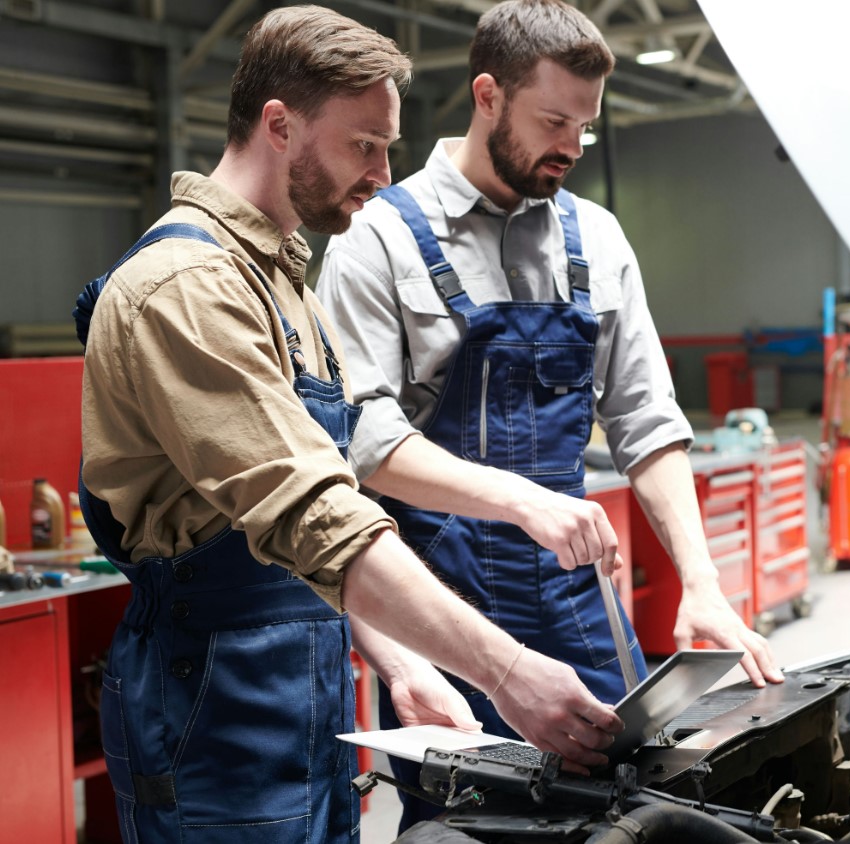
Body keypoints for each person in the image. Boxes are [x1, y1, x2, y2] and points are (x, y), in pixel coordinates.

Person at [75, 7, 622, 842]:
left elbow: (318, 529)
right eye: (363, 144)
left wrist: (405, 667)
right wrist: (506, 672)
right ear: (279, 125)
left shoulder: (287, 285)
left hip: (306, 694)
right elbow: (310, 517)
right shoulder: (185, 288)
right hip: (208, 709)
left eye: (389, 145)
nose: (382, 171)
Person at [315, 0, 783, 831]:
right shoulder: (376, 240)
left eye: (585, 125)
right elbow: (362, 443)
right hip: (443, 602)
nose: (571, 145)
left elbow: (645, 416)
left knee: (629, 809)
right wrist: (519, 500)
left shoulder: (596, 238)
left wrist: (702, 585)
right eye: (553, 120)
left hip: (577, 600)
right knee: (471, 825)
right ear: (487, 95)